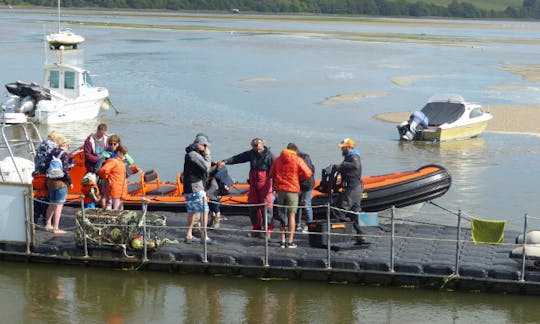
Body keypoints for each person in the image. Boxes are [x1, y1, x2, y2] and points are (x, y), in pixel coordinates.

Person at [218, 138, 275, 238]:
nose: (256, 148)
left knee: (266, 207)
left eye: (258, 146)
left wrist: (275, 187)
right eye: (254, 146)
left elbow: (276, 172)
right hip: (254, 184)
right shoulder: (251, 153)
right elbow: (239, 158)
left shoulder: (270, 156)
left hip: (265, 185)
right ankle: (256, 228)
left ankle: (267, 230)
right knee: (253, 206)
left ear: (263, 144)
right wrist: (225, 161)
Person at [269, 143, 312, 248]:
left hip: (280, 190)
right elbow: (308, 173)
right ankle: (290, 240)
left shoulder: (277, 160)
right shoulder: (297, 159)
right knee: (292, 215)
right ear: (295, 150)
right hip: (292, 190)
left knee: (282, 216)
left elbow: (271, 174)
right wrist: (297, 176)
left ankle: (282, 240)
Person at [330, 138, 366, 245]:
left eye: (343, 147)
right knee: (354, 213)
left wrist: (340, 166)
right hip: (355, 187)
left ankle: (341, 234)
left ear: (349, 147)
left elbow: (356, 166)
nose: (341, 149)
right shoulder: (348, 157)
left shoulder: (354, 156)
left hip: (353, 187)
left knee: (339, 209)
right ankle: (360, 234)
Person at [183, 135, 215, 244]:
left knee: (192, 212)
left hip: (190, 187)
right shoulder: (193, 154)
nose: (206, 148)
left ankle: (189, 235)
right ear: (199, 144)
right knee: (204, 210)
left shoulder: (191, 153)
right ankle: (204, 236)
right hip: (195, 186)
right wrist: (208, 155)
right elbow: (206, 167)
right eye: (205, 146)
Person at [32, 130, 62, 225]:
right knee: (47, 200)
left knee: (37, 200)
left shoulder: (42, 145)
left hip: (37, 175)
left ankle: (34, 221)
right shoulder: (53, 147)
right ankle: (47, 221)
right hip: (46, 176)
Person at [44, 136, 72, 234]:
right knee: (59, 205)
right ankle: (56, 228)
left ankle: (48, 224)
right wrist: (70, 182)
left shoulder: (51, 153)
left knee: (52, 203)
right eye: (67, 144)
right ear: (63, 145)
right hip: (60, 183)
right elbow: (65, 170)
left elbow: (46, 166)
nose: (68, 146)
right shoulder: (64, 154)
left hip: (50, 181)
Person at [98, 144, 129, 211]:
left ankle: (115, 219)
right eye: (123, 154)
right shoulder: (113, 161)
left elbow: (120, 173)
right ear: (119, 153)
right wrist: (107, 177)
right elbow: (103, 170)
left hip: (120, 188)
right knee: (115, 207)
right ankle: (111, 219)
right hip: (114, 188)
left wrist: (134, 169)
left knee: (119, 207)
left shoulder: (120, 162)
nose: (124, 156)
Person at [296, 148, 315, 233]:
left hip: (307, 184)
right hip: (299, 184)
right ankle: (297, 224)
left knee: (306, 204)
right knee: (298, 205)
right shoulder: (302, 158)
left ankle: (309, 225)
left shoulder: (304, 159)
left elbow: (307, 172)